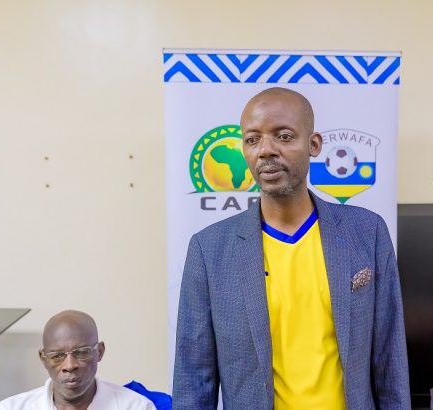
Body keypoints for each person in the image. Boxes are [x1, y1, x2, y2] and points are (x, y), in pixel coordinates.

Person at [173, 87, 410, 409]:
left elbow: (389, 359)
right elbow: (193, 378)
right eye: (252, 139)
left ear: (314, 144)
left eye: (283, 136)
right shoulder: (210, 249)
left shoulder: (367, 232)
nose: (265, 150)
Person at [0, 310, 156, 410]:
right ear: (43, 359)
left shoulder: (136, 406)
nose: (70, 366)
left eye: (81, 353)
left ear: (100, 352)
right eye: (57, 356)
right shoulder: (10, 408)